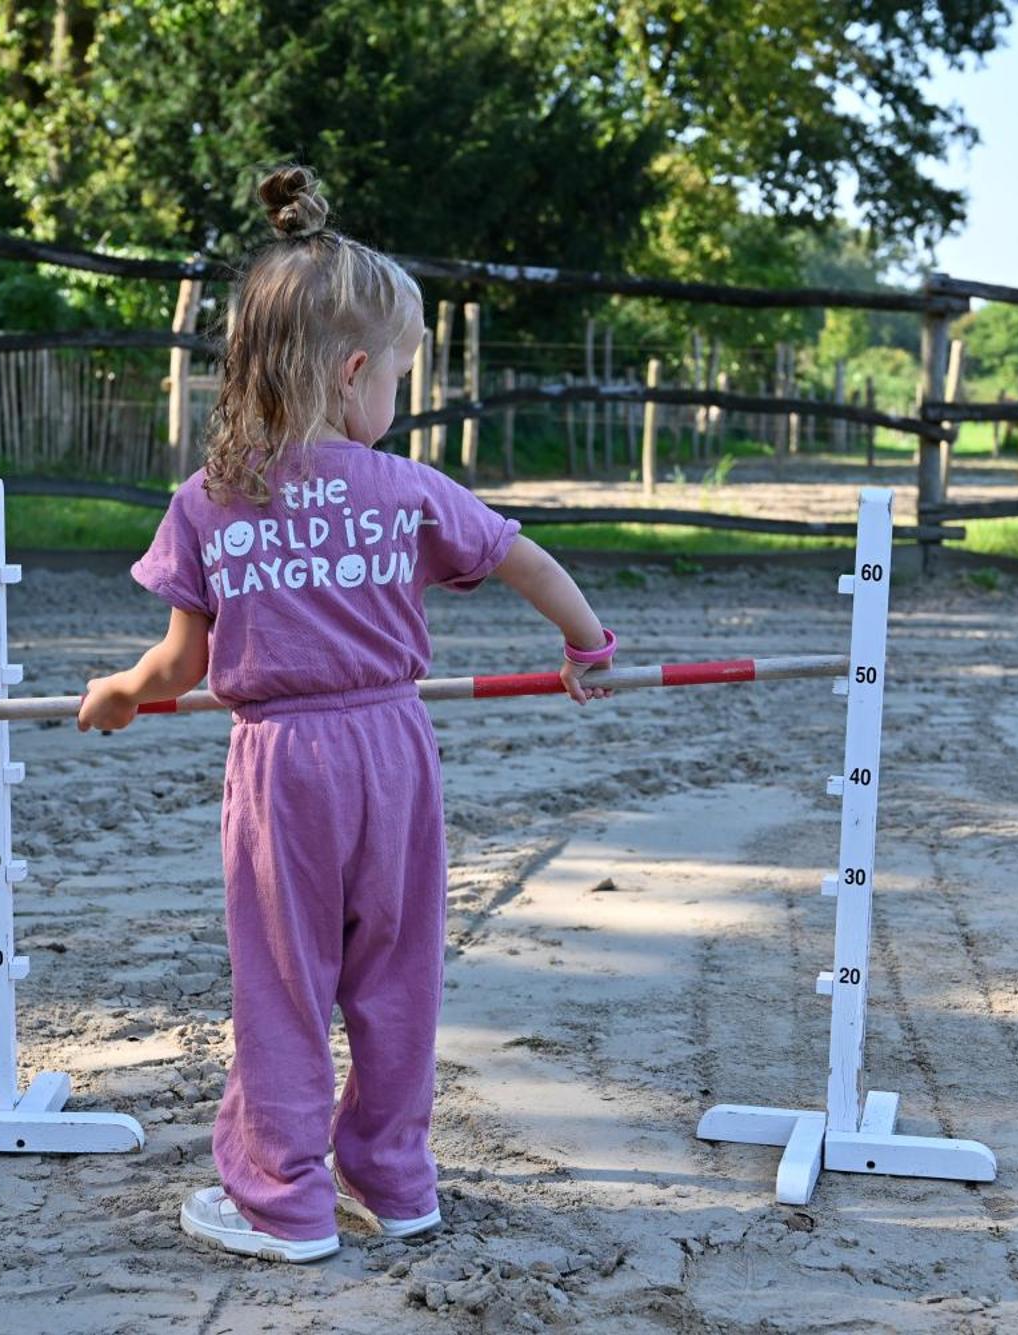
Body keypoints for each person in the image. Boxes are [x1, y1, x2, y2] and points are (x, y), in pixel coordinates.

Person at [76, 165, 617, 1264]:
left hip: (282, 768)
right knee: (396, 973)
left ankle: (283, 1204)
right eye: (399, 381)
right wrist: (586, 644)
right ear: (356, 370)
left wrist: (126, 692)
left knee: (284, 984)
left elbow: (180, 665)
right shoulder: (405, 487)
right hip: (392, 752)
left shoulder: (209, 498)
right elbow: (524, 558)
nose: (397, 403)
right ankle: (396, 1180)